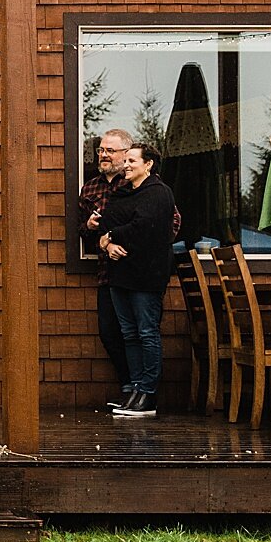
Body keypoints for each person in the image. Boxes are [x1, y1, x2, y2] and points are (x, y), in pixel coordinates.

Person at [85, 142, 176, 419]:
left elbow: (144, 227)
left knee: (147, 332)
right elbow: (105, 221)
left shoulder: (159, 193)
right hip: (119, 274)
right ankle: (134, 390)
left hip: (146, 275)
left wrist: (111, 236)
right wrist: (106, 242)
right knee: (129, 334)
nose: (126, 165)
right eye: (125, 161)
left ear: (148, 164)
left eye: (132, 161)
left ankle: (148, 394)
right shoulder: (123, 192)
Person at [78, 128, 134, 399]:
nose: (103, 155)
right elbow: (83, 234)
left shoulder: (138, 183)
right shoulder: (90, 187)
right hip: (106, 271)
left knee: (137, 333)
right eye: (101, 150)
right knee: (109, 332)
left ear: (127, 154)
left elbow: (165, 221)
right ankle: (128, 384)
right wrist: (89, 227)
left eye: (110, 151)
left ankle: (141, 389)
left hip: (136, 270)